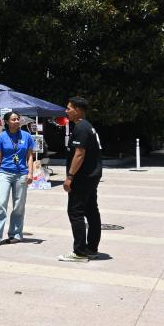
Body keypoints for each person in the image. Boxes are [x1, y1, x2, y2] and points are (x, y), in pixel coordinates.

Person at [59, 96, 103, 262]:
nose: (66, 111)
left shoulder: (81, 127)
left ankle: (79, 251)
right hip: (92, 175)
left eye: (68, 108)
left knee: (75, 212)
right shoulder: (88, 127)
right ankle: (91, 248)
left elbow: (79, 153)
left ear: (78, 110)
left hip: (82, 178)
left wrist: (70, 176)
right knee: (91, 211)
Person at [0, 111, 35, 246]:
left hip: (21, 174)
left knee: (19, 206)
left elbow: (30, 156)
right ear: (7, 122)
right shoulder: (1, 137)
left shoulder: (27, 136)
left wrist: (30, 173)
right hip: (5, 173)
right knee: (0, 203)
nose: (16, 121)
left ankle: (15, 234)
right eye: (13, 119)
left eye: (18, 119)